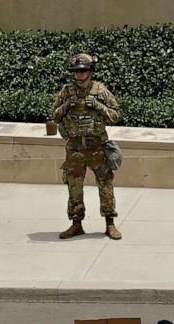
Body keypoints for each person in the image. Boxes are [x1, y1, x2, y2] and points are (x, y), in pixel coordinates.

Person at [53, 53, 122, 240]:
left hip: (97, 147)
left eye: (83, 71)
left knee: (105, 184)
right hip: (75, 148)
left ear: (90, 71)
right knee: (74, 185)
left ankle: (110, 223)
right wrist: (67, 105)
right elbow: (55, 116)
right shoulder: (66, 91)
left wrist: (99, 106)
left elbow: (115, 115)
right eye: (76, 72)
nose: (79, 75)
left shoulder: (100, 91)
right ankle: (76, 224)